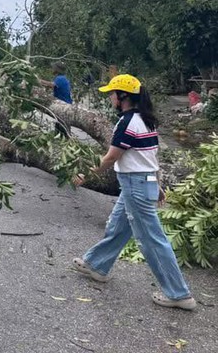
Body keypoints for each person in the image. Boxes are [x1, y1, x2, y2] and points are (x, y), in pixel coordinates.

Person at [72, 74, 197, 311]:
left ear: (123, 97)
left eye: (112, 94)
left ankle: (179, 293)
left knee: (151, 240)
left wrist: (84, 174)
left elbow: (111, 157)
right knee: (118, 227)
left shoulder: (127, 123)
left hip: (135, 185)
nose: (110, 98)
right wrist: (157, 184)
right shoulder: (146, 120)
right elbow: (150, 156)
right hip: (142, 183)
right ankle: (97, 265)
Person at [51, 62, 72, 137]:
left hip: (64, 106)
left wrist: (38, 81)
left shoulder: (60, 78)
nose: (52, 69)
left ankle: (67, 141)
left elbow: (51, 85)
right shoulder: (63, 78)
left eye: (53, 67)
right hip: (64, 105)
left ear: (57, 69)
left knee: (63, 129)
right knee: (60, 126)